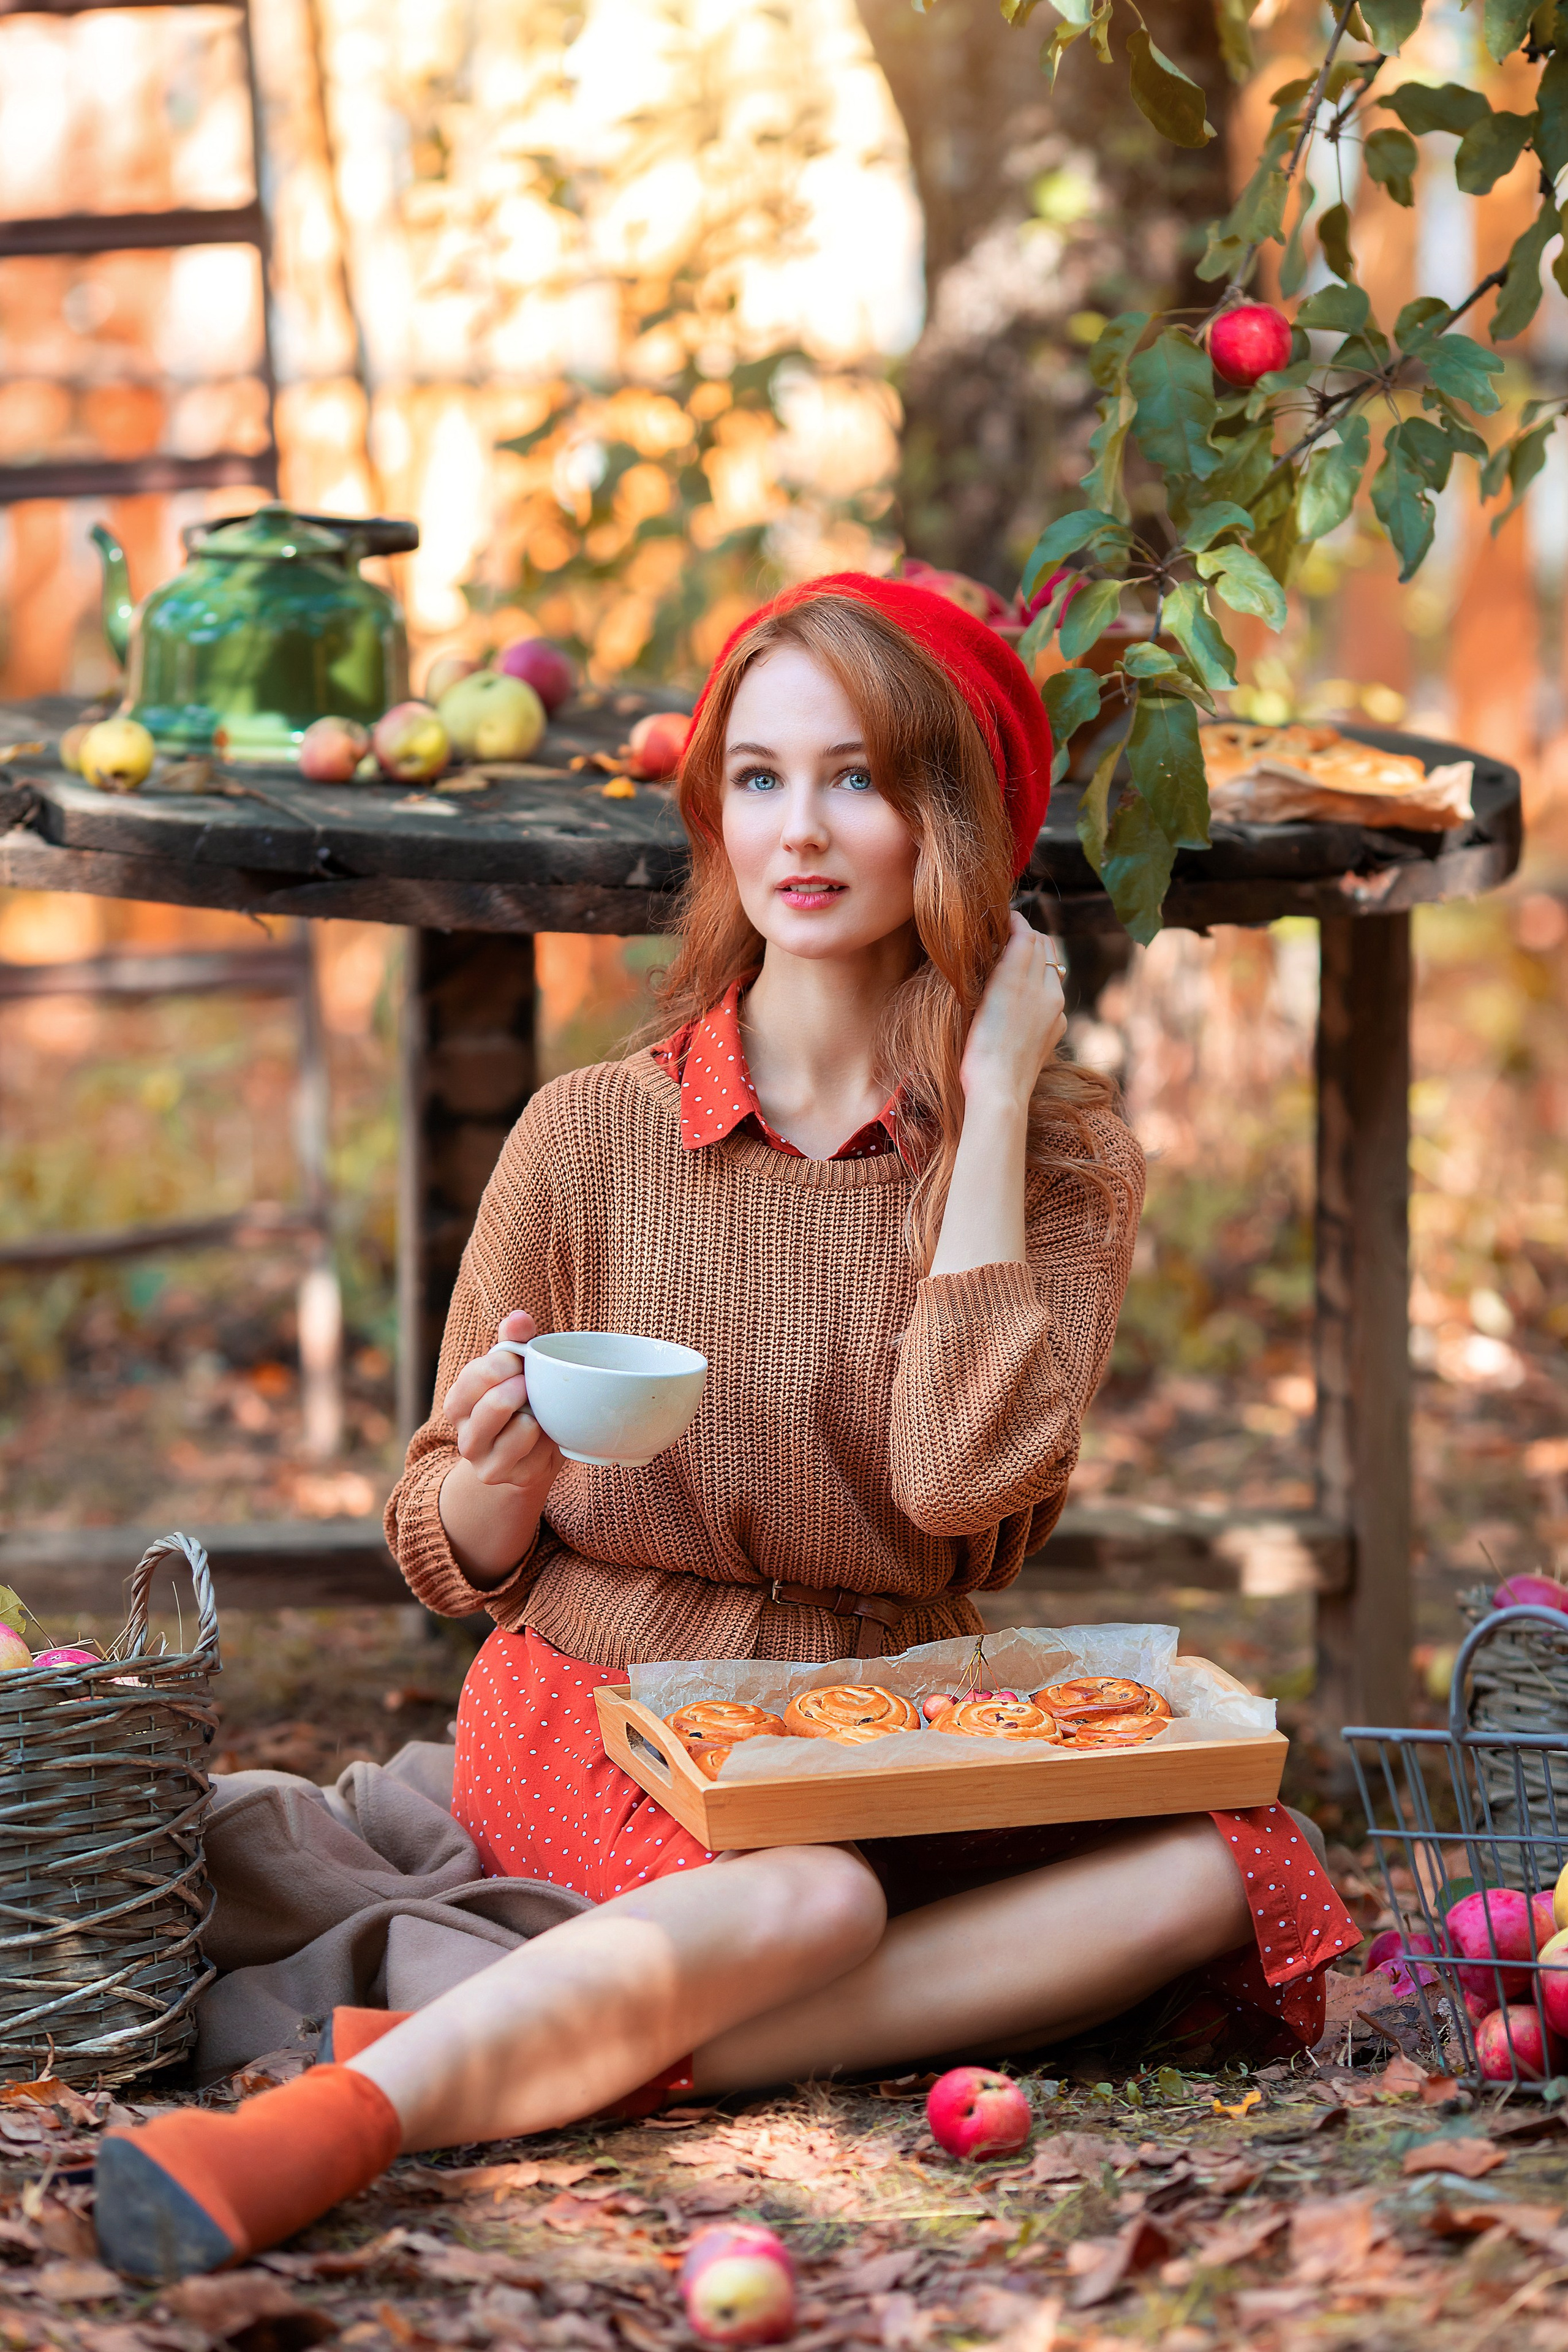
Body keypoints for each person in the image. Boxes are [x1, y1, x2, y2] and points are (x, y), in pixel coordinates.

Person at [95, 576, 1357, 2282]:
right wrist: (495, 1483)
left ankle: (565, 2033)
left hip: (883, 1734)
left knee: (1235, 1868)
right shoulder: (591, 1136)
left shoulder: (1059, 1159)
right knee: (819, 1900)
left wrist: (984, 1111)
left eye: (858, 778)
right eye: (756, 779)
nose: (802, 830)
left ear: (955, 821)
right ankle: (350, 2111)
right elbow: (441, 1551)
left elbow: (961, 1480)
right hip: (604, 1712)